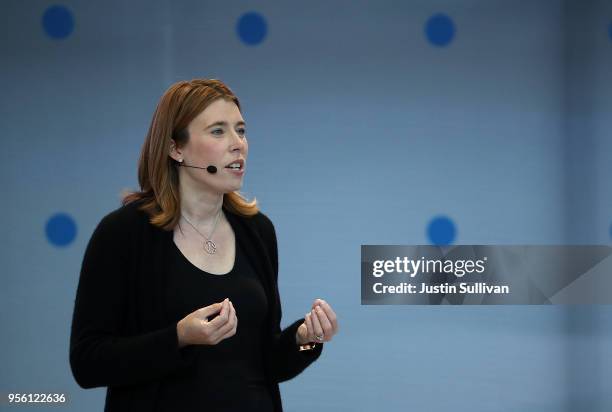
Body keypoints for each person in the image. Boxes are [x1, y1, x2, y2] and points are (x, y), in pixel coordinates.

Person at [69, 79, 339, 411]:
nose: (238, 144)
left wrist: (304, 342)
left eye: (240, 130)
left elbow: (268, 363)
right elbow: (87, 362)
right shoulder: (123, 233)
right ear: (175, 148)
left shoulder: (258, 231)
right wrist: (178, 338)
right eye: (217, 131)